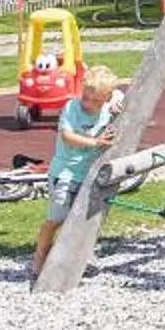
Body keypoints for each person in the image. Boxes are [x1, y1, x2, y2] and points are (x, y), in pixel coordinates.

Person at [33, 64, 121, 278]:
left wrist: (118, 98)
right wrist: (95, 142)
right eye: (86, 97)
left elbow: (120, 92)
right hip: (65, 172)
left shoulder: (107, 106)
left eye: (96, 101)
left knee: (87, 217)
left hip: (88, 174)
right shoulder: (72, 107)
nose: (89, 104)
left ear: (106, 98)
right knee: (57, 218)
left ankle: (78, 255)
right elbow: (67, 136)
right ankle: (40, 255)